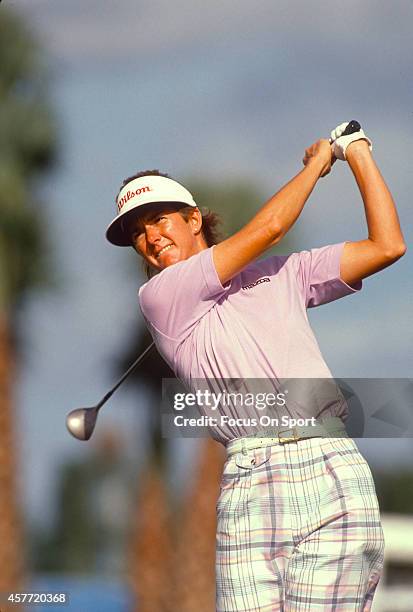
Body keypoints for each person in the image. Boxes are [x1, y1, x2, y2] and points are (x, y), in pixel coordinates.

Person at [106, 122, 406, 611]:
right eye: (138, 233)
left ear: (193, 220)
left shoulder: (282, 273)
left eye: (159, 220)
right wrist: (317, 164)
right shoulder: (160, 298)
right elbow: (269, 228)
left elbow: (387, 246)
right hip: (248, 481)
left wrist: (356, 150)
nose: (150, 237)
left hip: (327, 464)